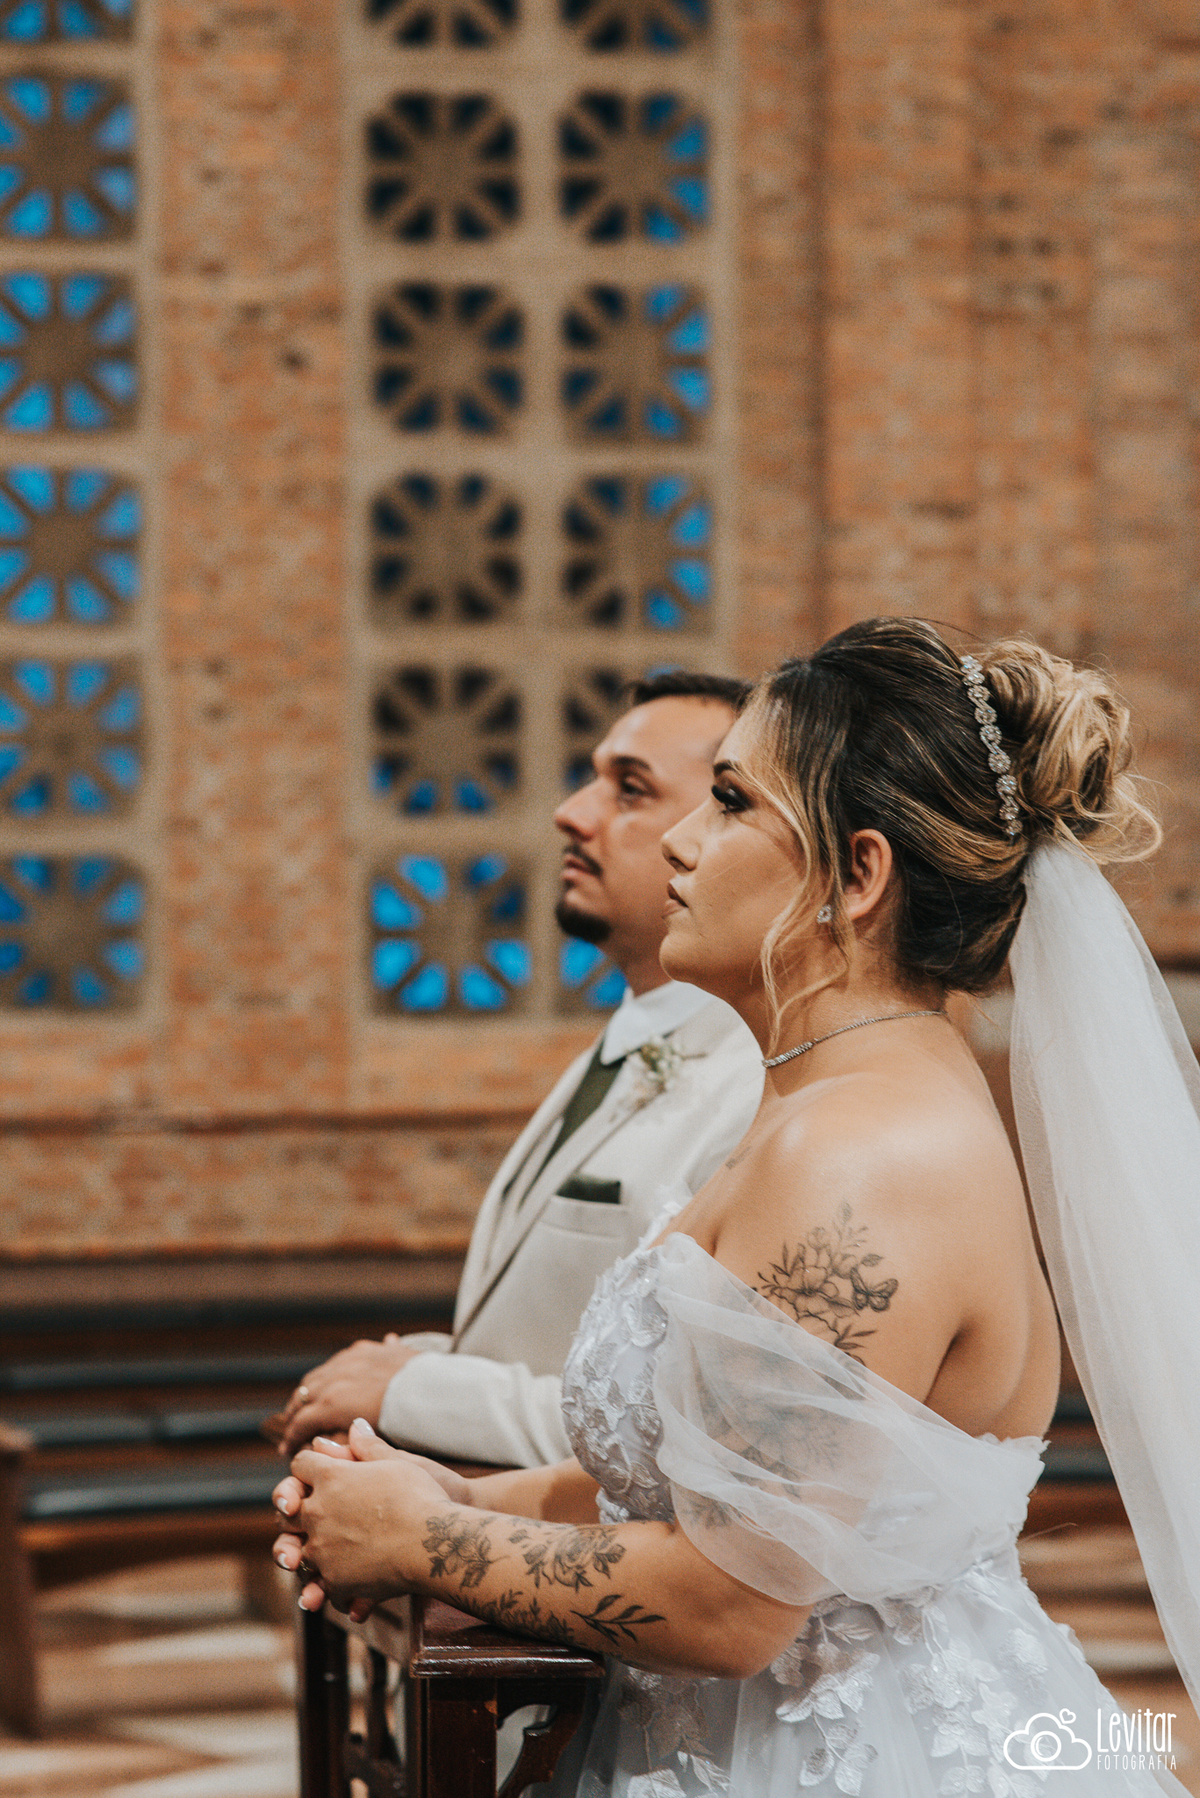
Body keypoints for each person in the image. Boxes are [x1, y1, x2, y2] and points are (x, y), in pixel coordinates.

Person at [275, 618, 1198, 1796]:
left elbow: (735, 1603)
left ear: (857, 876)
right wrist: (451, 1491)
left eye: (727, 801)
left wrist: (426, 1541)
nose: (683, 839)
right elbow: (701, 1478)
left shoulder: (862, 1158)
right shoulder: (828, 1106)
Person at [274, 670, 764, 1469]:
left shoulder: (758, 1089)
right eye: (593, 779)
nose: (572, 812)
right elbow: (556, 1339)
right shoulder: (632, 1036)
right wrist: (413, 1367)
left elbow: (694, 1429)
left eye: (630, 789)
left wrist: (415, 1391)